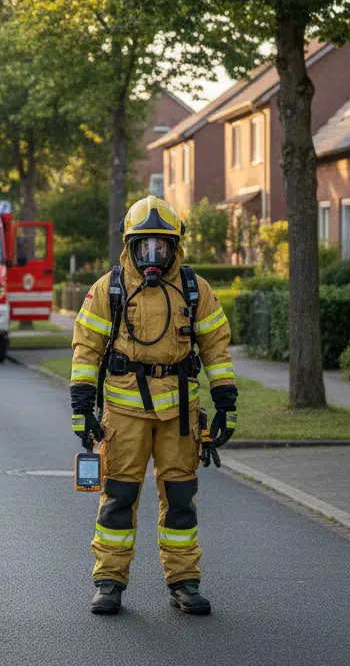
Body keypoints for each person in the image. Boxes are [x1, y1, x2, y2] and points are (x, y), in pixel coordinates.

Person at [69, 195, 236, 616]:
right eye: (145, 246)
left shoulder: (195, 289)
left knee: (180, 500)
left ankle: (184, 582)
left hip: (180, 416)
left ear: (174, 247)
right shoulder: (109, 289)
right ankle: (108, 582)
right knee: (117, 498)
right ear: (130, 247)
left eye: (161, 246)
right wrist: (81, 406)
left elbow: (216, 348)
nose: (153, 256)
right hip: (124, 416)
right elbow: (86, 349)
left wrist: (225, 402)